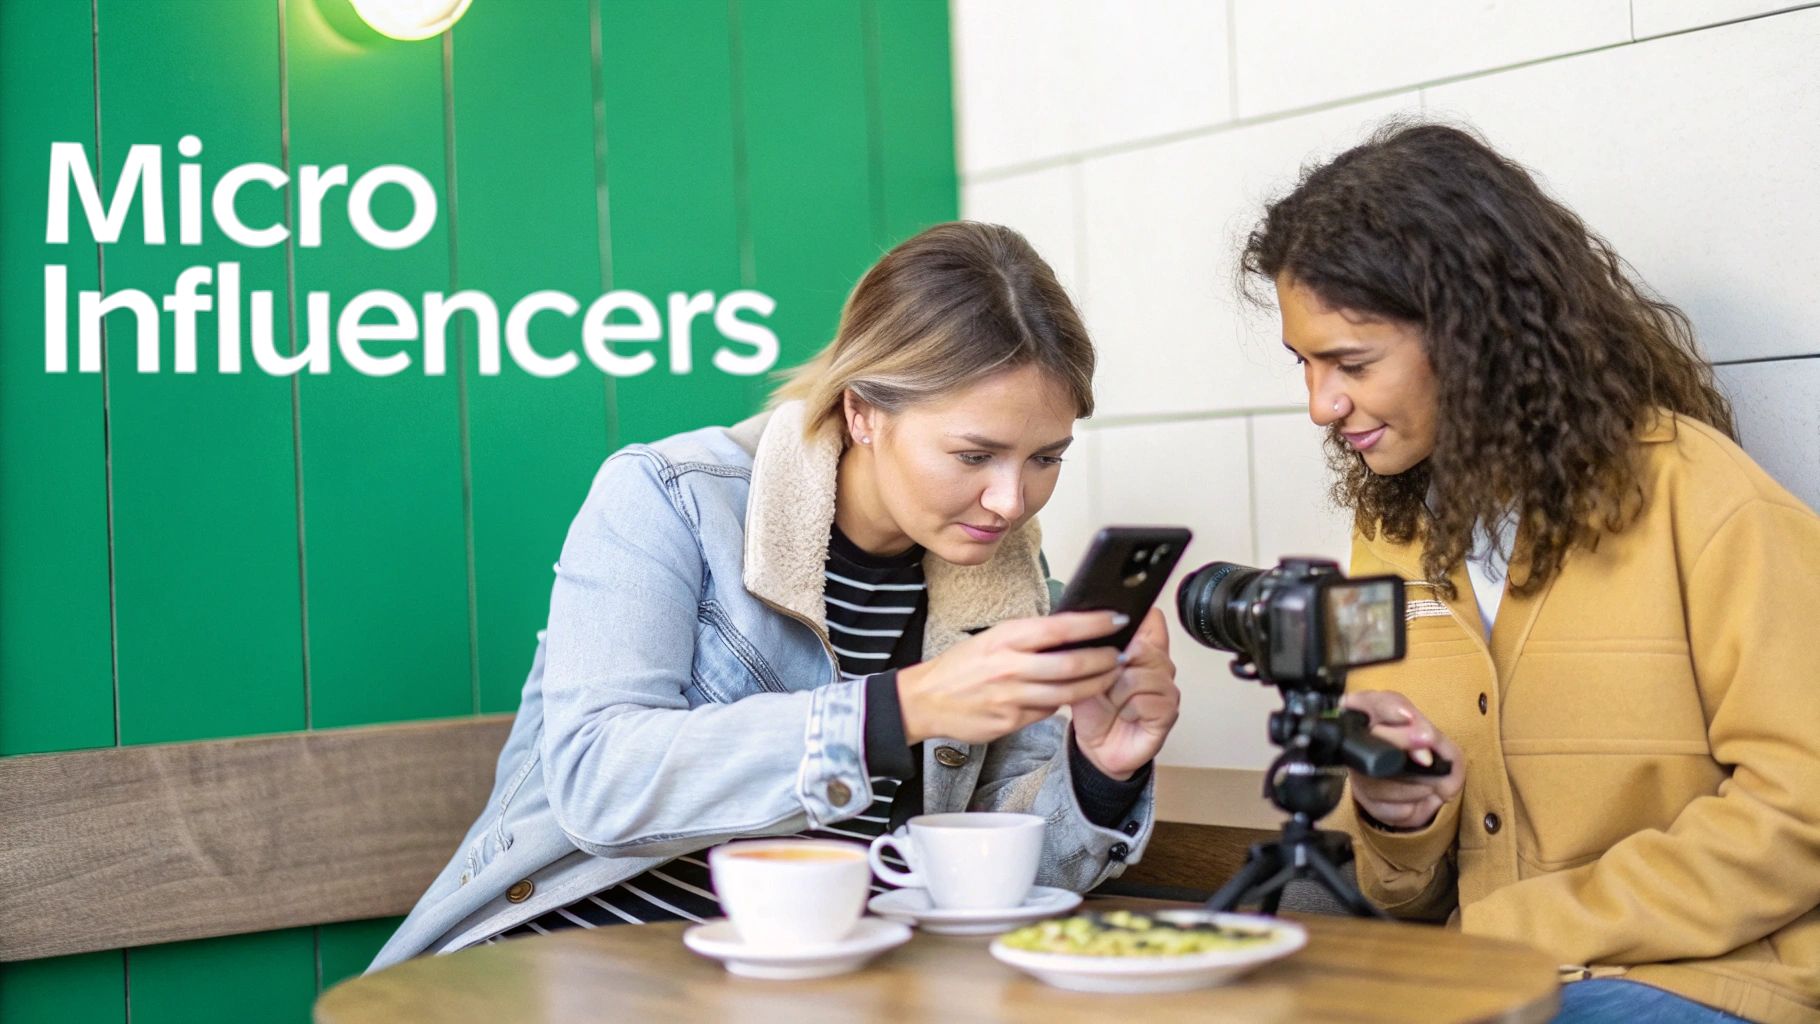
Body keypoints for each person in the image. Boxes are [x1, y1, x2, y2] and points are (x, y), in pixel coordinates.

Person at [368, 221, 1181, 970]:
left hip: (804, 983)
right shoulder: (670, 498)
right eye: (975, 455)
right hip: (563, 969)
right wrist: (898, 711)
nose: (1011, 501)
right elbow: (598, 780)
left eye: (1046, 458)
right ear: (863, 412)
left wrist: (1098, 771)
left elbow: (998, 882)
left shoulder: (1003, 577)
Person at [1242, 123, 1820, 1023]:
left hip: (1698, 981)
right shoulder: (1390, 532)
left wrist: (1519, 927)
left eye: (1351, 363)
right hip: (1482, 982)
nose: (1322, 405)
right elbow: (1408, 895)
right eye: (1305, 365)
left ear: (1475, 337)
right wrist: (1402, 817)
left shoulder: (1708, 503)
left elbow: (1801, 814)